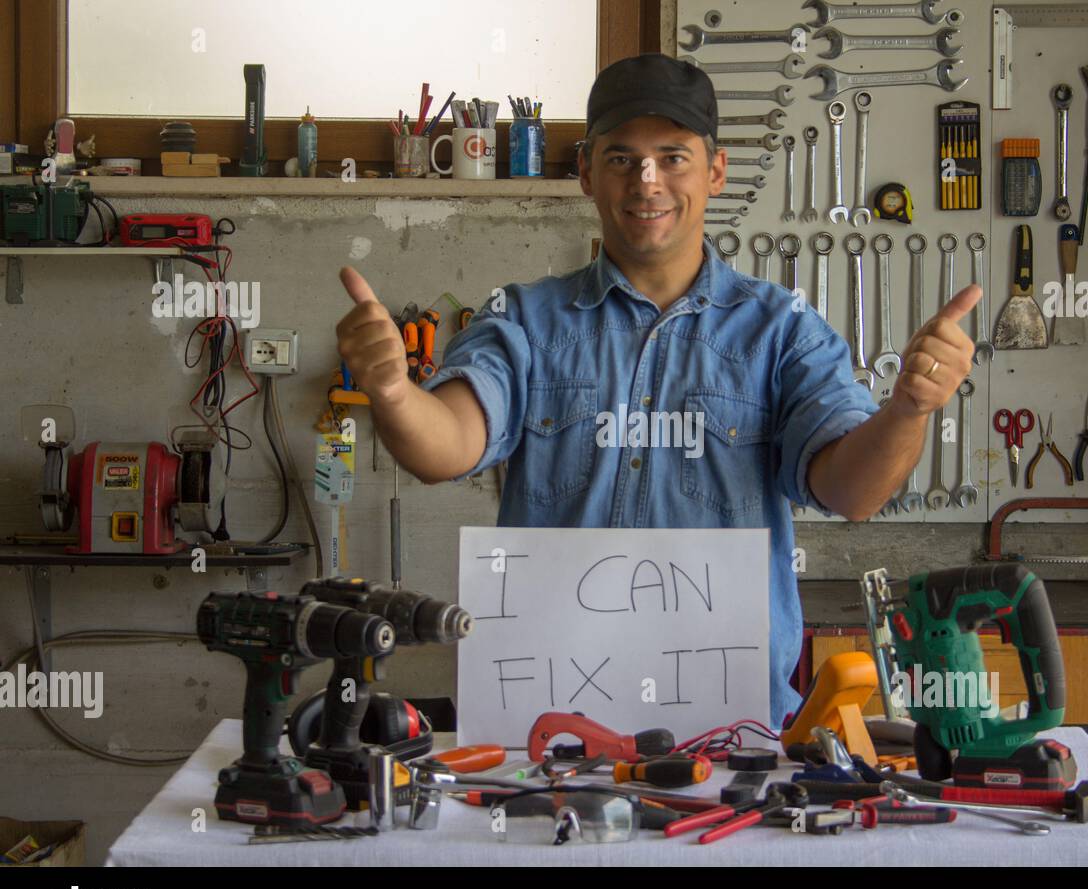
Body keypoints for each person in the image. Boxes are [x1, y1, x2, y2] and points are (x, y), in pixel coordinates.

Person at [335, 54, 979, 725]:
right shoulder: (522, 319)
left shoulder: (784, 332)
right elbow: (448, 447)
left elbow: (853, 492)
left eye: (673, 156)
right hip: (547, 724)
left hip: (732, 734)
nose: (647, 181)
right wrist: (393, 391)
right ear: (586, 172)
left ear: (716, 171)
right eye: (621, 157)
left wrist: (908, 409)